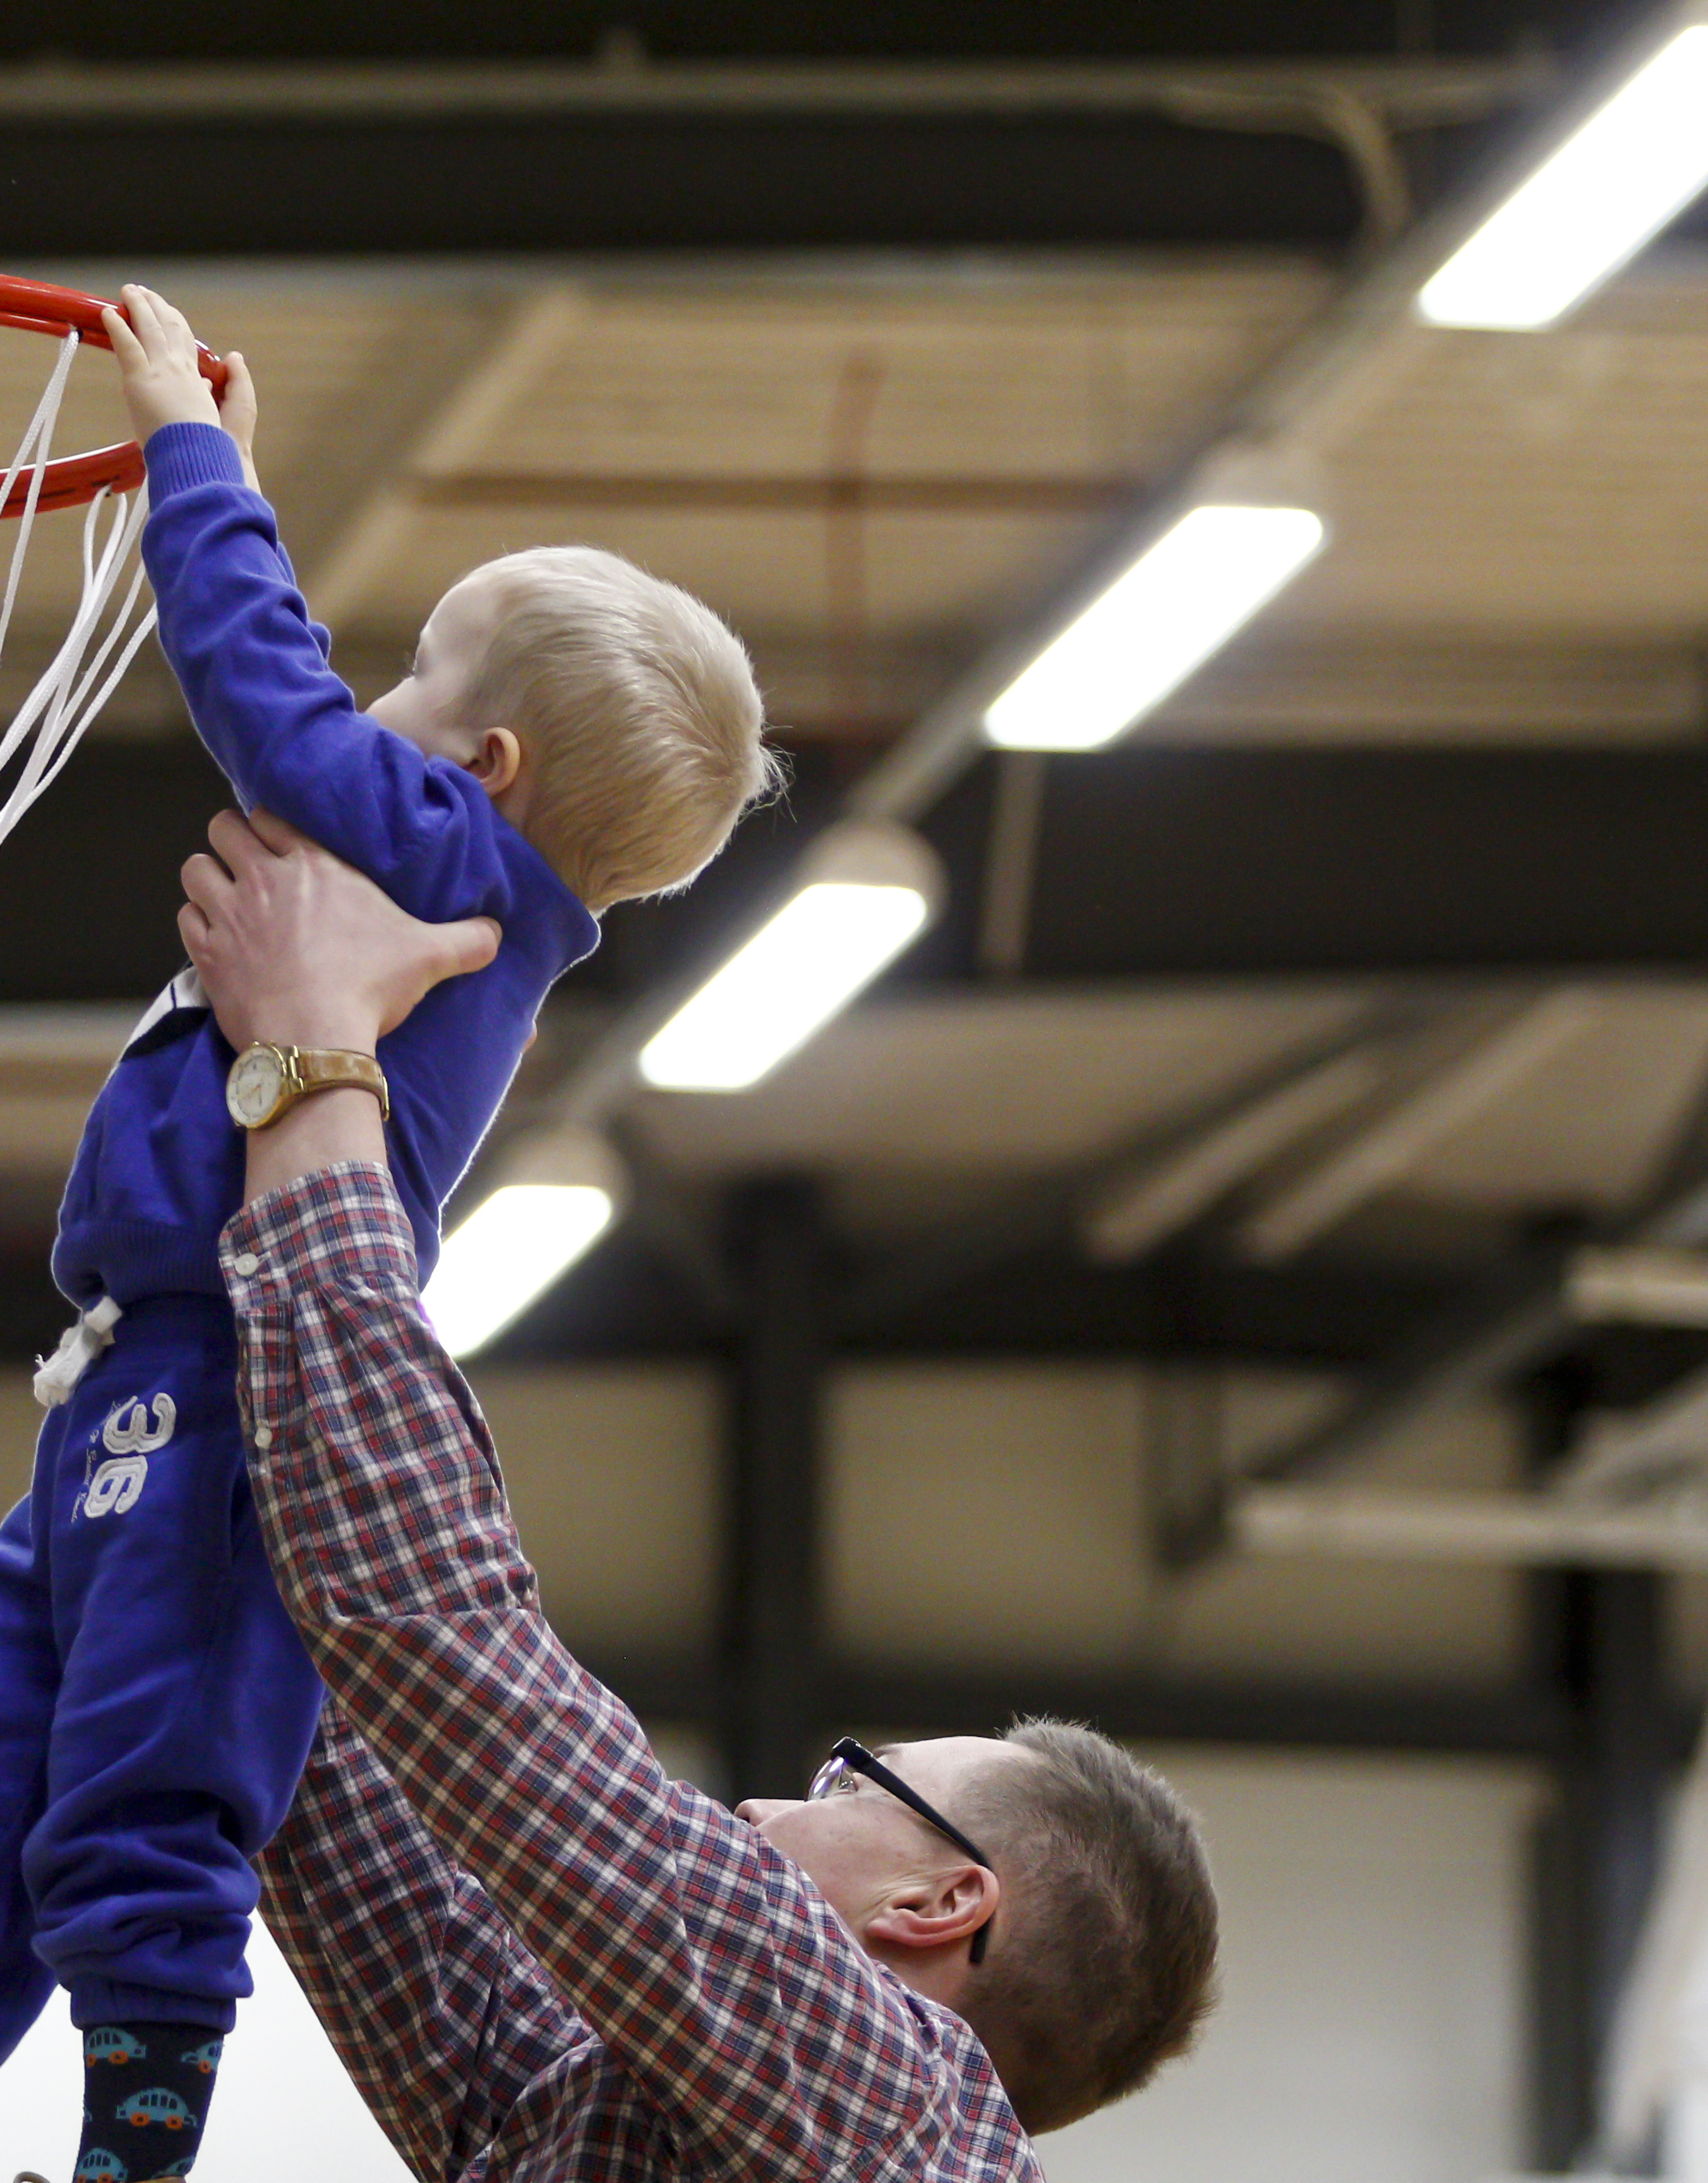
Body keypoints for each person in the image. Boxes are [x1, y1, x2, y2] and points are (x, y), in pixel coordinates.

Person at [0, 287, 779, 2183]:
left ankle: (133, 2140)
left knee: (144, 1777)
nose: (368, 696)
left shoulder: (445, 864)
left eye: (416, 674)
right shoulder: (436, 848)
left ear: (476, 768)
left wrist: (200, 457)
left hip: (224, 1388)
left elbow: (259, 688)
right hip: (120, 1384)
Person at [172, 813, 1225, 2174]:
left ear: (941, 1898)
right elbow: (353, 1796)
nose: (755, 1814)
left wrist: (314, 1049)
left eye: (851, 1781)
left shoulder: (889, 2098)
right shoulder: (642, 2117)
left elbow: (429, 1629)